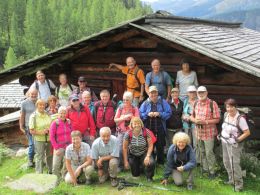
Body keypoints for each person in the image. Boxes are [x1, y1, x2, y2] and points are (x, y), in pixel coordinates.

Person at [220, 98, 250, 192]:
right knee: (226, 161)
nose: (229, 109)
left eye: (232, 107)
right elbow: (225, 127)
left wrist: (237, 140)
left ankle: (238, 184)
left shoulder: (240, 119)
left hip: (234, 145)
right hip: (224, 142)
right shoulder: (226, 115)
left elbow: (247, 132)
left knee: (234, 164)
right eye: (228, 107)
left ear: (235, 107)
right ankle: (231, 179)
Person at [190, 86, 220, 179]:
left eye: (203, 92)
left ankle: (212, 172)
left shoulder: (212, 103)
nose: (201, 94)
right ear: (197, 94)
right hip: (199, 132)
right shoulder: (196, 103)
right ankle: (205, 169)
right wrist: (195, 120)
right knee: (202, 152)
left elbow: (217, 119)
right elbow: (191, 116)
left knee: (209, 153)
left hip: (209, 133)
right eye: (199, 92)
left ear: (206, 93)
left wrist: (205, 122)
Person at [139, 86, 171, 165]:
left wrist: (159, 114)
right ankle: (151, 162)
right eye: (151, 93)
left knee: (160, 144)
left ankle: (160, 162)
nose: (153, 95)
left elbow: (169, 113)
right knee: (150, 144)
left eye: (154, 93)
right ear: (149, 94)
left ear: (157, 93)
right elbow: (140, 114)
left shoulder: (162, 102)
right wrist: (147, 114)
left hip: (160, 127)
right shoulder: (145, 103)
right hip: (149, 127)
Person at [123, 117, 155, 181]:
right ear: (131, 125)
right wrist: (126, 161)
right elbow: (125, 148)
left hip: (144, 153)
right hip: (133, 154)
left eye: (139, 123)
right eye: (135, 124)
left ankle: (149, 177)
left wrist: (148, 156)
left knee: (150, 162)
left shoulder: (146, 132)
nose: (137, 125)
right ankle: (140, 168)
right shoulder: (128, 134)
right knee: (136, 176)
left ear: (141, 124)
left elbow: (151, 146)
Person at [114, 91, 139, 170]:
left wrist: (132, 117)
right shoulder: (120, 108)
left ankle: (130, 164)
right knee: (120, 149)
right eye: (124, 99)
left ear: (131, 100)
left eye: (127, 100)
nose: (125, 101)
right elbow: (115, 120)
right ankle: (120, 165)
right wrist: (124, 117)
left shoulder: (134, 109)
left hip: (131, 132)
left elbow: (138, 121)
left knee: (131, 148)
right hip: (121, 131)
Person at [29, 99, 52, 174]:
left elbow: (51, 124)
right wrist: (42, 132)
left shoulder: (47, 114)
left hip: (49, 139)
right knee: (39, 157)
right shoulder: (33, 116)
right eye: (40, 105)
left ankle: (50, 171)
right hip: (39, 140)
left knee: (49, 155)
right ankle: (39, 173)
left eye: (43, 105)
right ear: (37, 106)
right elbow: (31, 131)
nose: (42, 106)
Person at [50, 106, 72, 179]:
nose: (63, 115)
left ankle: (64, 177)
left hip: (68, 146)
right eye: (61, 113)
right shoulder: (55, 123)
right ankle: (55, 178)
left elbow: (73, 134)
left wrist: (72, 146)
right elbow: (52, 137)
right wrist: (56, 148)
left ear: (66, 114)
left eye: (64, 113)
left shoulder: (69, 122)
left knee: (67, 163)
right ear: (58, 114)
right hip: (58, 147)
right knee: (56, 165)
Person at [19, 88, 38, 167]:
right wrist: (21, 126)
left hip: (38, 126)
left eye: (35, 94)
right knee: (32, 144)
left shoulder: (39, 101)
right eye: (32, 94)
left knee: (38, 144)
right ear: (29, 94)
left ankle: (37, 159)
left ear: (37, 94)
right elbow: (22, 115)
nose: (33, 95)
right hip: (28, 127)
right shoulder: (24, 103)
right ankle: (30, 160)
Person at [182, 86, 198, 157]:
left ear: (196, 93)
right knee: (188, 142)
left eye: (193, 92)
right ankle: (188, 157)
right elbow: (183, 113)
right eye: (190, 92)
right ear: (187, 93)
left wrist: (191, 118)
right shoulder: (185, 101)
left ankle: (196, 159)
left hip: (195, 125)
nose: (192, 94)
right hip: (186, 124)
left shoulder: (198, 101)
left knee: (196, 143)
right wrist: (184, 117)